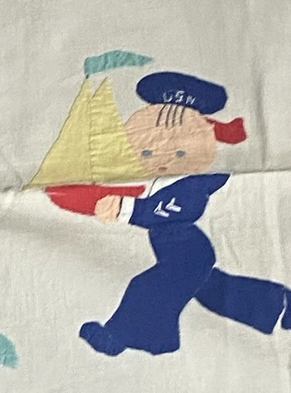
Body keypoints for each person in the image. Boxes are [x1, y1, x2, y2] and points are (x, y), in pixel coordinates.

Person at [80, 72, 291, 356]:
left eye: (179, 153)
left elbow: (170, 209)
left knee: (147, 286)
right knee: (216, 292)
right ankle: (281, 305)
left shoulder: (194, 184)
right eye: (146, 152)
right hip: (179, 251)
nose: (162, 160)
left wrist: (126, 209)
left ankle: (121, 337)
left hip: (188, 251)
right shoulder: (164, 180)